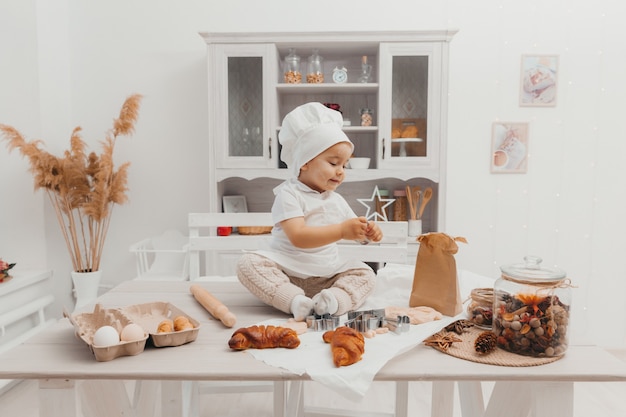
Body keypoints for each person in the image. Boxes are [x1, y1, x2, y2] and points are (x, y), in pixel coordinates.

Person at [236, 102, 383, 321]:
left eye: (344, 165)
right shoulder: (288, 195)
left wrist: (367, 233)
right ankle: (295, 301)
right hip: (286, 272)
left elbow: (354, 230)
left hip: (326, 276)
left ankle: (331, 301)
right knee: (247, 264)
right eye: (334, 163)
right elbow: (298, 237)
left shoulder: (337, 200)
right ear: (304, 161)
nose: (341, 172)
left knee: (366, 275)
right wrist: (343, 231)